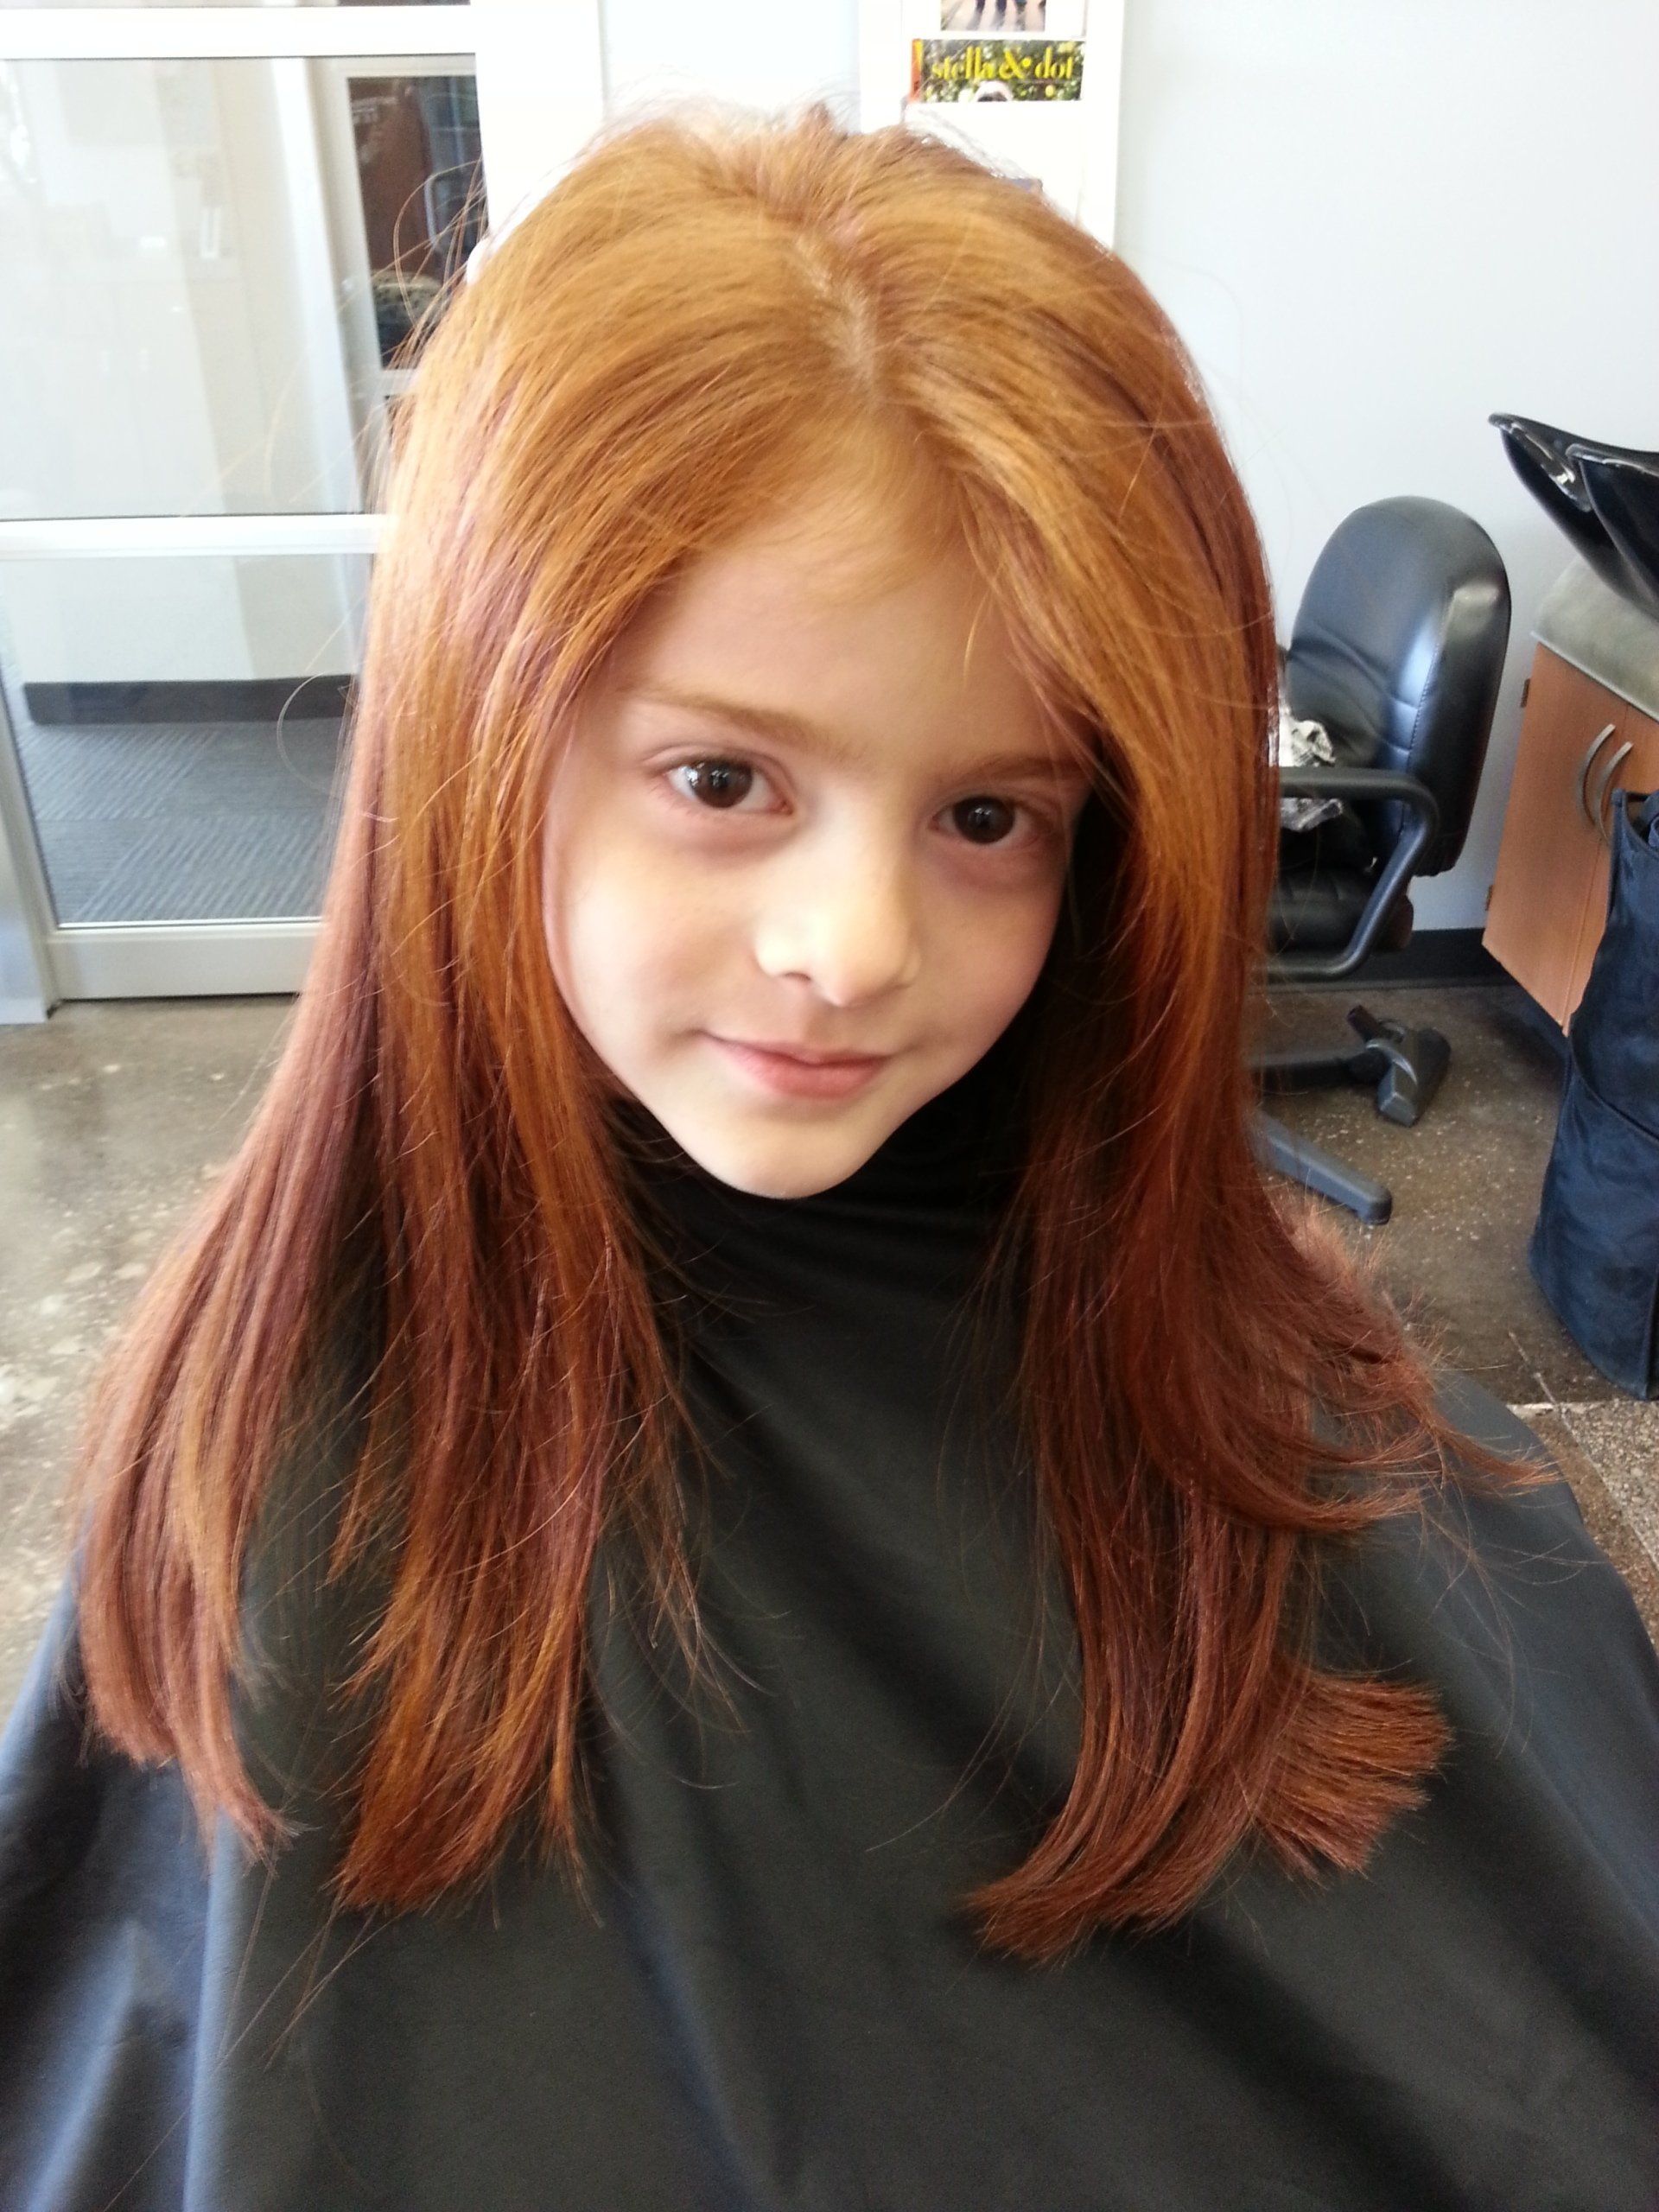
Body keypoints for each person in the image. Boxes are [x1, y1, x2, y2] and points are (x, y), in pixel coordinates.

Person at [1, 97, 1656, 2212]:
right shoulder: (290, 1458)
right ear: (481, 733)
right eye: (723, 777)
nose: (855, 948)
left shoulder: (1283, 1412)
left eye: (990, 817)